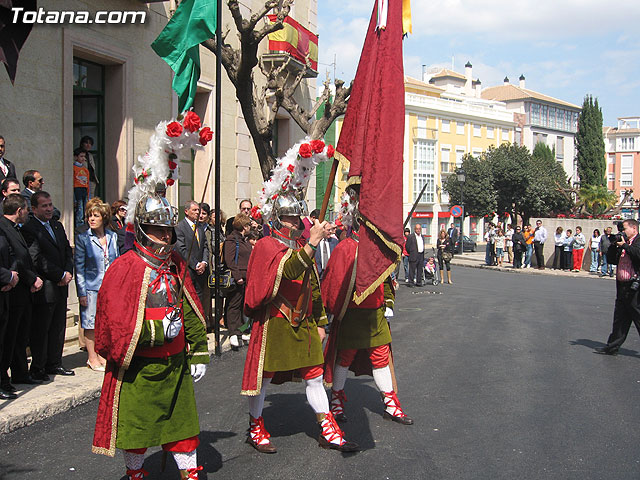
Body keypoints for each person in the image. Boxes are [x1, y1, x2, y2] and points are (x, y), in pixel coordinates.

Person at [242, 142, 356, 454]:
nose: (296, 222)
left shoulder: (301, 242)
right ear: (278, 218)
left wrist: (321, 321)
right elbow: (288, 271)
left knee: (315, 377)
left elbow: (313, 287)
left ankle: (327, 426)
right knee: (263, 379)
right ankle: (255, 424)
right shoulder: (267, 245)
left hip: (303, 322)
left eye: (297, 218)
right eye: (291, 218)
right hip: (275, 323)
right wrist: (311, 245)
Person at [91, 191, 209, 480]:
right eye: (158, 231)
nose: (166, 238)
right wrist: (158, 331)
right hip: (139, 369)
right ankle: (135, 474)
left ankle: (189, 474)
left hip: (176, 367)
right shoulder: (123, 268)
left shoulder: (177, 264)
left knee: (183, 429)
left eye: (168, 231)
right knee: (137, 431)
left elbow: (191, 311)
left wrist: (199, 351)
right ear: (143, 230)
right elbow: (114, 329)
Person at [322, 186, 412, 436]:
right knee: (344, 358)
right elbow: (333, 284)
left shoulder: (379, 248)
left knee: (381, 357)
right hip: (352, 314)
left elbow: (385, 280)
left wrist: (389, 304)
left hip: (376, 314)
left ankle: (390, 404)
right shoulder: (344, 248)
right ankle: (337, 399)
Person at [21, 191, 74, 381]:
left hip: (62, 285)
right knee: (42, 329)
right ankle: (38, 367)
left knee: (59, 327)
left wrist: (68, 273)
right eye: (44, 206)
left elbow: (68, 251)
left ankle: (55, 363)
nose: (49, 209)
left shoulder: (57, 226)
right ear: (34, 209)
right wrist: (58, 274)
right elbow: (36, 259)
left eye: (50, 205)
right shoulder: (30, 228)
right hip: (46, 287)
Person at [0, 194, 42, 394]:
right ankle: (3, 380)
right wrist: (15, 276)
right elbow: (13, 257)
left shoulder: (16, 229)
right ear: (19, 211)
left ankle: (18, 374)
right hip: (11, 290)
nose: (27, 213)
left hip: (20, 288)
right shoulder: (3, 228)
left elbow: (22, 258)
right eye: (26, 209)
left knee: (17, 337)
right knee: (7, 338)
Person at [75, 198, 119, 372]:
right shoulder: (83, 238)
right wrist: (82, 292)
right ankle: (92, 357)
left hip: (110, 287)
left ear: (104, 218)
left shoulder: (112, 236)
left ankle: (102, 354)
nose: (91, 219)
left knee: (105, 323)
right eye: (89, 216)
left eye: (95, 216)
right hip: (91, 287)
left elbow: (116, 261)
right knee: (90, 322)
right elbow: (79, 267)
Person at [595, 219, 640, 355]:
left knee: (638, 317)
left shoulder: (637, 242)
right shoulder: (622, 242)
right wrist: (614, 246)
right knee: (620, 318)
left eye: (625, 229)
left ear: (634, 228)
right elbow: (612, 259)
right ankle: (612, 346)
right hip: (622, 286)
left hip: (635, 286)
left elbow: (638, 255)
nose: (623, 232)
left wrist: (625, 246)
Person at [222, 214, 252, 351]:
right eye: (249, 225)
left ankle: (241, 330)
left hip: (246, 277)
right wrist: (237, 275)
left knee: (242, 305)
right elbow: (229, 260)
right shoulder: (232, 240)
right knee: (233, 304)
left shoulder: (244, 240)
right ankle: (233, 332)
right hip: (237, 278)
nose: (250, 227)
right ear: (244, 226)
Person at [175, 201, 209, 306]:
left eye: (198, 210)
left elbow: (205, 246)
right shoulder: (180, 227)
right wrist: (195, 265)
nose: (197, 213)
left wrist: (204, 262)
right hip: (188, 270)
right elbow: (181, 249)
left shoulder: (200, 227)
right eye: (194, 210)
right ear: (186, 211)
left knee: (200, 299)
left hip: (201, 271)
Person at [73, 147, 90, 228]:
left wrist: (88, 195)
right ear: (76, 157)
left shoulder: (85, 170)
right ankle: (79, 228)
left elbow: (87, 184)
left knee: (85, 211)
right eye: (81, 156)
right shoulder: (73, 168)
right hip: (77, 190)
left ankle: (84, 226)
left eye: (84, 156)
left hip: (84, 191)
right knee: (79, 211)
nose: (83, 158)